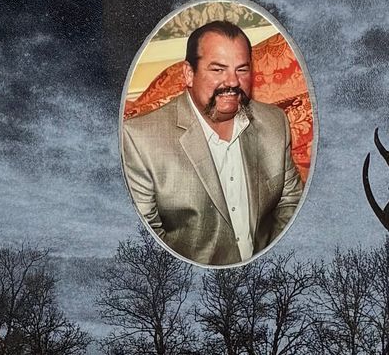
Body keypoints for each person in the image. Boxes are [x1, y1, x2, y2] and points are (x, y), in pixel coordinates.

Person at [121, 23, 304, 268]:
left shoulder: (274, 122)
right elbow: (147, 242)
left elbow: (291, 202)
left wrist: (271, 265)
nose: (233, 81)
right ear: (189, 74)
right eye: (218, 69)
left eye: (242, 69)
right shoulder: (140, 139)